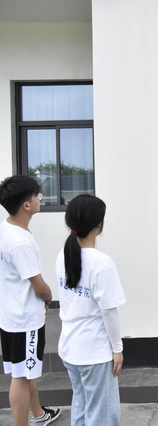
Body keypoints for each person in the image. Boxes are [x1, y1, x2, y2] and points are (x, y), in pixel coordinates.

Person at [56, 194, 126, 426]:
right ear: (99, 224)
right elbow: (109, 312)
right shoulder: (101, 263)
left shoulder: (63, 256)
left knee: (81, 406)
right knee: (102, 415)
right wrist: (117, 349)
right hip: (94, 351)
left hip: (70, 347)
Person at [0, 175, 60, 426]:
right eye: (37, 196)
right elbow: (38, 284)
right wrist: (49, 295)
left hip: (11, 315)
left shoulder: (6, 227)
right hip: (25, 319)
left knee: (25, 370)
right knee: (21, 377)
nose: (40, 199)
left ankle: (38, 415)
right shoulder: (20, 242)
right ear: (26, 205)